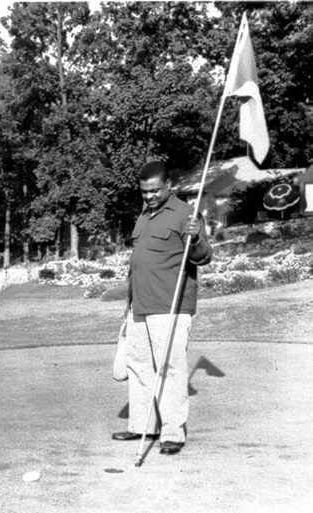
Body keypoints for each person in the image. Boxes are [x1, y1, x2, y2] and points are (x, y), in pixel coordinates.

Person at [112, 160, 213, 455]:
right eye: (144, 192)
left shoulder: (186, 215)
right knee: (140, 368)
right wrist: (129, 304)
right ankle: (142, 427)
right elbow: (137, 264)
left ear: (168, 185)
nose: (149, 196)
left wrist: (194, 238)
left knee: (170, 369)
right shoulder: (144, 215)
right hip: (140, 307)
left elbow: (203, 256)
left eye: (154, 190)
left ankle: (172, 434)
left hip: (170, 307)